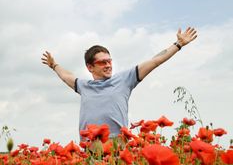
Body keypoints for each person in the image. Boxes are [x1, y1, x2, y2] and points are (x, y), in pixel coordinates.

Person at [41, 27, 197, 138]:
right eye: (102, 62)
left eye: (109, 61)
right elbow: (66, 76)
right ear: (90, 67)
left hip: (117, 146)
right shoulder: (84, 86)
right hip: (89, 148)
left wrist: (178, 45)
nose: (108, 65)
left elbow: (154, 61)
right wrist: (54, 65)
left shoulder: (124, 79)